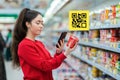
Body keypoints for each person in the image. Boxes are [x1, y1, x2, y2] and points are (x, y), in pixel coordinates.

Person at [11, 8, 78, 80]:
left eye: (42, 23)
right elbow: (44, 66)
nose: (41, 26)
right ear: (28, 24)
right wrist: (65, 53)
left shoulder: (39, 43)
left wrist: (58, 52)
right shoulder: (24, 45)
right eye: (38, 23)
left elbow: (51, 63)